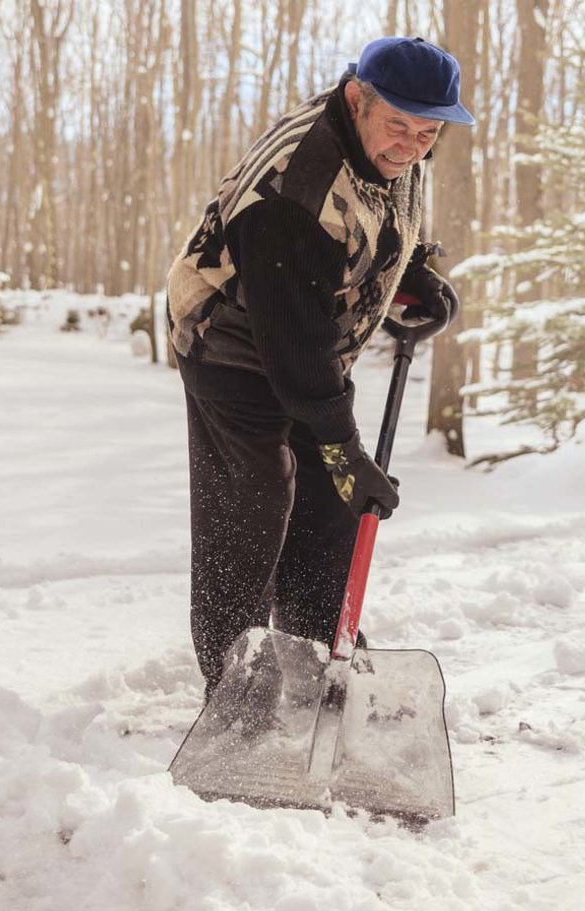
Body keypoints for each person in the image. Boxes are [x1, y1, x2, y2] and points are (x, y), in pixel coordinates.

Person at [166, 37, 474, 699]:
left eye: (429, 131)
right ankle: (238, 690)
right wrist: (344, 452)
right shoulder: (296, 193)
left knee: (329, 507)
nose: (412, 145)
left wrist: (413, 272)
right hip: (232, 341)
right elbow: (293, 357)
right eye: (399, 126)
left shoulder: (395, 136)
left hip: (309, 332)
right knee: (252, 507)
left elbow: (389, 213)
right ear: (356, 99)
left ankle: (318, 659)